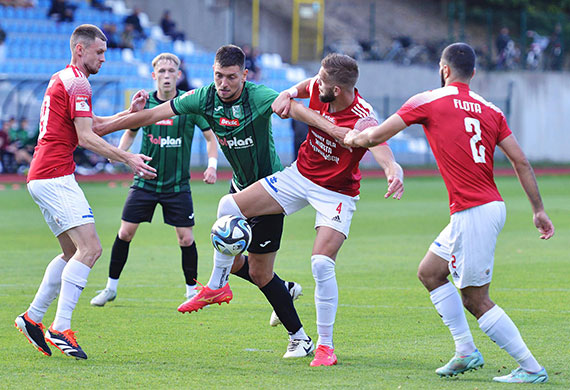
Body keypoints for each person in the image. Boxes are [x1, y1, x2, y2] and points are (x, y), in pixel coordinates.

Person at [93, 44, 350, 359]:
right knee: (250, 267)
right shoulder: (204, 97)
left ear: (244, 75)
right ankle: (274, 293)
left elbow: (298, 111)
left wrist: (334, 129)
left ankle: (297, 335)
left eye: (230, 77)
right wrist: (103, 126)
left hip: (270, 194)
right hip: (240, 190)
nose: (224, 84)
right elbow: (152, 113)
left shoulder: (256, 96)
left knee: (259, 273)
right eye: (218, 76)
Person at [344, 42, 554, 383]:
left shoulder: (427, 100)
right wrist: (538, 210)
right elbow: (521, 161)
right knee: (430, 272)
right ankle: (465, 351)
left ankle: (531, 368)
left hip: (474, 211)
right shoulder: (491, 110)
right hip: (484, 207)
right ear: (473, 73)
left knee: (475, 298)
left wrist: (354, 137)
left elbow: (375, 137)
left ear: (444, 71)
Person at [183, 52, 405, 367]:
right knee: (228, 205)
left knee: (320, 264)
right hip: (299, 176)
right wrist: (288, 93)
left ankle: (325, 347)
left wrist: (391, 169)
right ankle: (218, 285)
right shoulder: (320, 86)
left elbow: (378, 143)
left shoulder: (363, 115)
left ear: (337, 91)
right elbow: (304, 87)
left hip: (336, 194)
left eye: (321, 80)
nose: (316, 83)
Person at [14, 24, 157, 360]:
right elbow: (88, 138)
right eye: (99, 52)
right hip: (55, 175)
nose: (103, 59)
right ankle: (60, 327)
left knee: (71, 253)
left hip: (44, 175)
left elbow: (92, 125)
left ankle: (33, 318)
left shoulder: (64, 78)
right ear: (80, 49)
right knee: (90, 248)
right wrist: (127, 158)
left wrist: (129, 114)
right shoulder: (78, 82)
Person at [90, 53, 218, 308]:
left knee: (186, 238)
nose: (167, 75)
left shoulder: (188, 103)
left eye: (171, 71)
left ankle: (191, 291)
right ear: (154, 75)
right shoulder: (144, 102)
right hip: (145, 181)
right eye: (162, 71)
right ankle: (110, 288)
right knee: (125, 232)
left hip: (177, 184)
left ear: (178, 75)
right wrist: (119, 154)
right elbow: (130, 130)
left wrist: (212, 166)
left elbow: (210, 138)